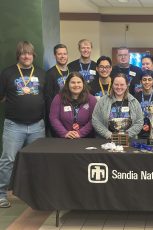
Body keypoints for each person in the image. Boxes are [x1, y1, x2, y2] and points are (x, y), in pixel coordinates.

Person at [0, 41, 46, 208]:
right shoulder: (7, 73)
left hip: (37, 126)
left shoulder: (42, 73)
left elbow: (46, 99)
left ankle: (34, 194)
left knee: (36, 160)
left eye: (29, 53)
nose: (26, 56)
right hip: (14, 125)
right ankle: (1, 194)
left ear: (34, 55)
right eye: (23, 53)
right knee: (8, 160)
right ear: (18, 55)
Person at [92, 73, 143, 139]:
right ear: (112, 85)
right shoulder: (102, 101)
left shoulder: (134, 101)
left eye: (122, 85)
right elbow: (95, 120)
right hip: (106, 141)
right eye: (116, 84)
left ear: (127, 85)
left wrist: (126, 135)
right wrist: (108, 135)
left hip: (129, 141)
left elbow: (139, 122)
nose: (119, 87)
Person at [49, 72, 97, 138]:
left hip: (85, 139)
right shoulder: (58, 98)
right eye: (73, 82)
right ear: (67, 84)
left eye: (79, 82)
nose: (76, 85)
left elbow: (94, 119)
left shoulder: (91, 99)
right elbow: (54, 118)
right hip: (63, 138)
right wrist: (65, 133)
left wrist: (80, 133)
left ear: (83, 84)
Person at [45, 44, 69, 136]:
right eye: (59, 54)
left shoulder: (72, 71)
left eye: (64, 54)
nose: (62, 56)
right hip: (58, 117)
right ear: (55, 56)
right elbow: (48, 98)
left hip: (71, 116)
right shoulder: (50, 74)